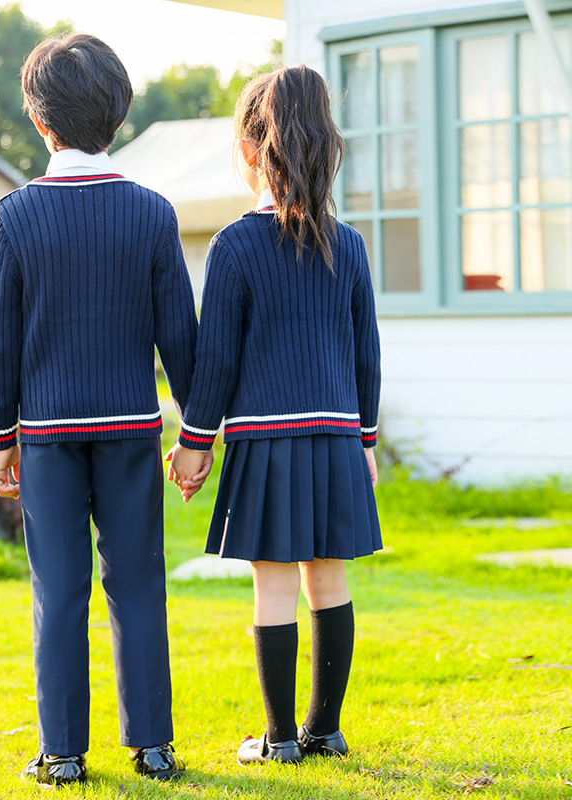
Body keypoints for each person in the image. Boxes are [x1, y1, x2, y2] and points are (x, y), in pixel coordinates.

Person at [0, 33, 202, 786]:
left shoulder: (13, 215)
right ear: (119, 116)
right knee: (138, 583)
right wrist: (197, 432)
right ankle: (154, 747)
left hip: (45, 436)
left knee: (59, 590)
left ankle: (62, 753)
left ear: (39, 121)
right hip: (132, 430)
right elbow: (180, 335)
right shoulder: (151, 212)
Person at [169, 65, 382, 765]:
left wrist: (194, 441)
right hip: (337, 435)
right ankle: (327, 732)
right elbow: (366, 354)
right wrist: (366, 439)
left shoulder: (235, 244)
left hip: (265, 441)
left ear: (249, 150)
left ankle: (280, 740)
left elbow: (216, 361)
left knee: (274, 584)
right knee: (330, 579)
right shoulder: (350, 244)